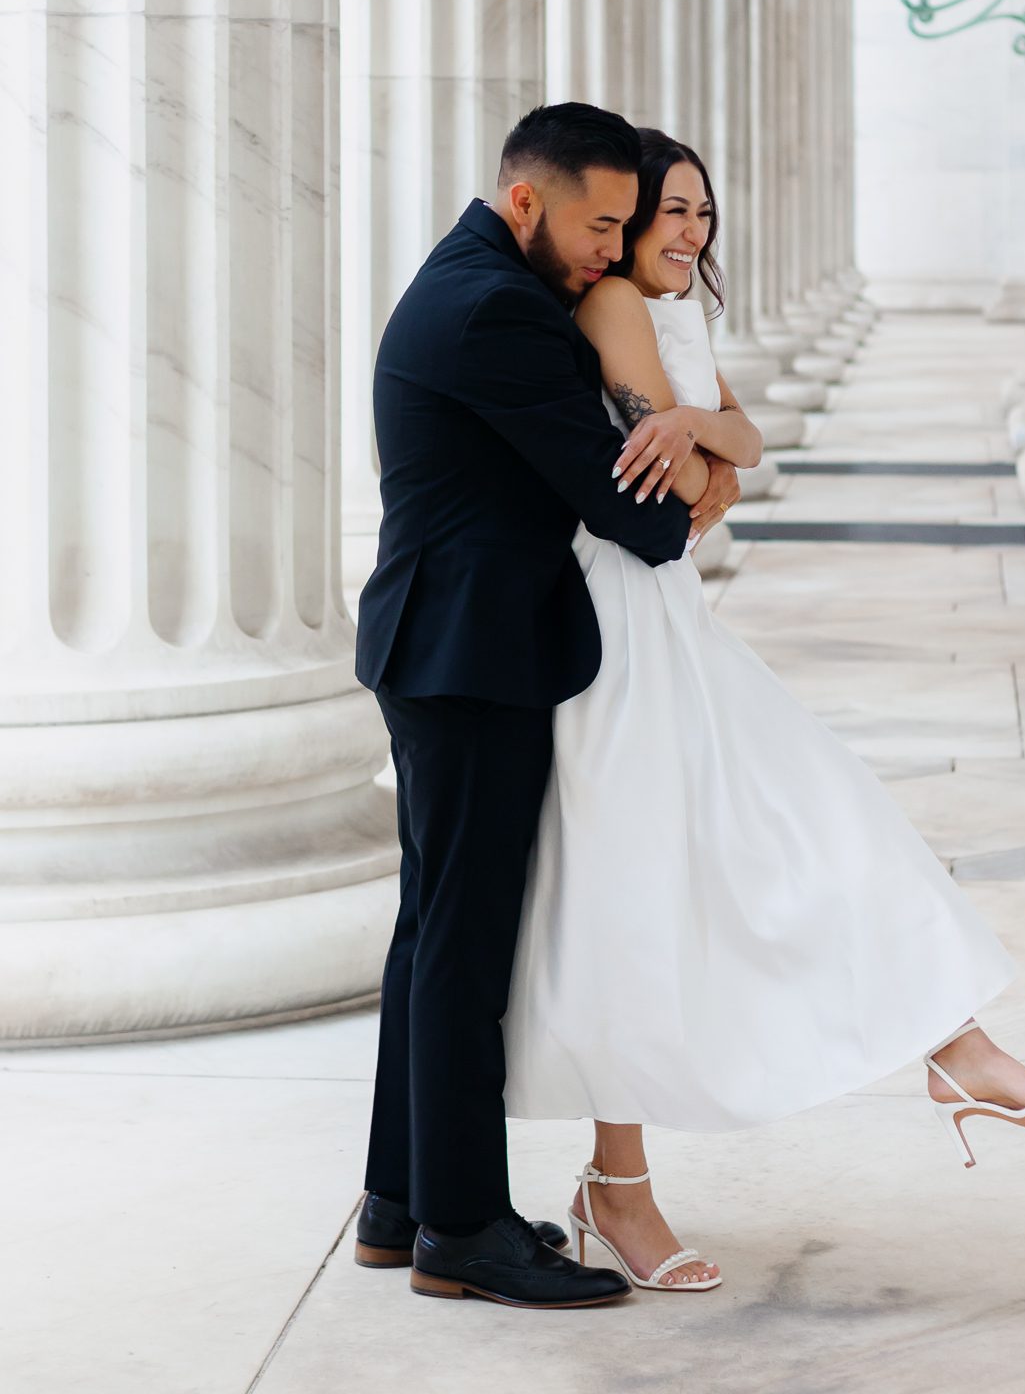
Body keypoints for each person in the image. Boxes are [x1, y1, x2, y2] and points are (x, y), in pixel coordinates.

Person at [501, 128, 1025, 1294]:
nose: (683, 235)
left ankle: (952, 1043)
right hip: (615, 625)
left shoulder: (673, 309)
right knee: (636, 890)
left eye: (699, 217)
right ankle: (622, 1183)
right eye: (665, 212)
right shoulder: (618, 306)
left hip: (666, 615)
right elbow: (679, 479)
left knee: (809, 819)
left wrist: (709, 438)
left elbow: (737, 444)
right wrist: (706, 446)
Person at [351, 104, 737, 1310]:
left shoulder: (469, 272)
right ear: (528, 199)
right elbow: (639, 512)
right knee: (463, 947)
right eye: (598, 223)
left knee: (433, 930)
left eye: (627, 224)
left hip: (447, 642)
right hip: (471, 656)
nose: (608, 250)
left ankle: (401, 1199)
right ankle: (461, 1229)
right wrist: (699, 479)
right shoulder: (499, 310)